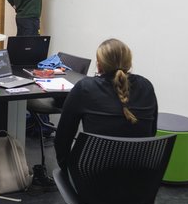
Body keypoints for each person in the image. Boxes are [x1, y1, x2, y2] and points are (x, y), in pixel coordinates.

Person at [54, 38, 159, 170]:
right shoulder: (146, 86)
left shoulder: (84, 88)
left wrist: (66, 170)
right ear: (129, 62)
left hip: (92, 178)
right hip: (139, 179)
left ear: (99, 65)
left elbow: (63, 139)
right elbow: (151, 132)